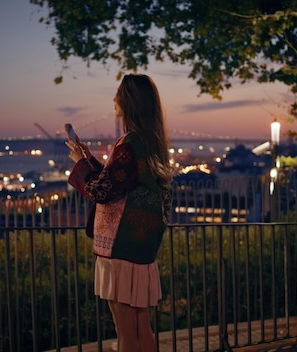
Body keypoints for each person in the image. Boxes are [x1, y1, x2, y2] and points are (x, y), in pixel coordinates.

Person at [65, 74, 175, 352]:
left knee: (125, 332)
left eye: (118, 94)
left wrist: (79, 163)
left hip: (120, 246)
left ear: (129, 101)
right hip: (140, 245)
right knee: (142, 328)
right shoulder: (150, 142)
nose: (114, 99)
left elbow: (102, 191)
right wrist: (89, 159)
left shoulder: (130, 143)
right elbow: (118, 179)